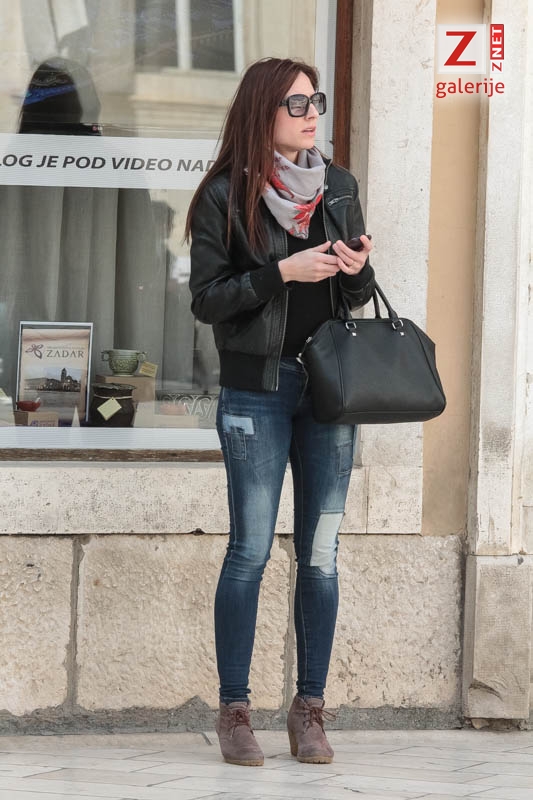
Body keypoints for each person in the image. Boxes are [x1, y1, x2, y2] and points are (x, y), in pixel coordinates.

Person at [185, 57, 374, 767]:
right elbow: (207, 300)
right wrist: (280, 274)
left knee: (320, 555)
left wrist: (359, 269)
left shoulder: (339, 188)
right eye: (296, 103)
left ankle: (309, 709)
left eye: (315, 100)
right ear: (262, 110)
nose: (311, 113)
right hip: (254, 393)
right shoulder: (223, 195)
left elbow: (357, 298)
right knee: (250, 552)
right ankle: (235, 711)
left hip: (330, 394)